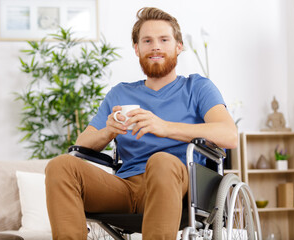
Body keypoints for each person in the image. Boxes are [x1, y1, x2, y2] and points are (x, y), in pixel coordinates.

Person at [45, 7, 238, 240]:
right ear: (137, 49)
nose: (155, 46)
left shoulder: (197, 88)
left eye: (164, 39)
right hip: (125, 187)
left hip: (178, 184)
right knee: (60, 166)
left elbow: (229, 135)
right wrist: (108, 131)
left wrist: (164, 127)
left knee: (161, 161)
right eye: (147, 40)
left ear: (179, 46)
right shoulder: (120, 94)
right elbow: (81, 144)